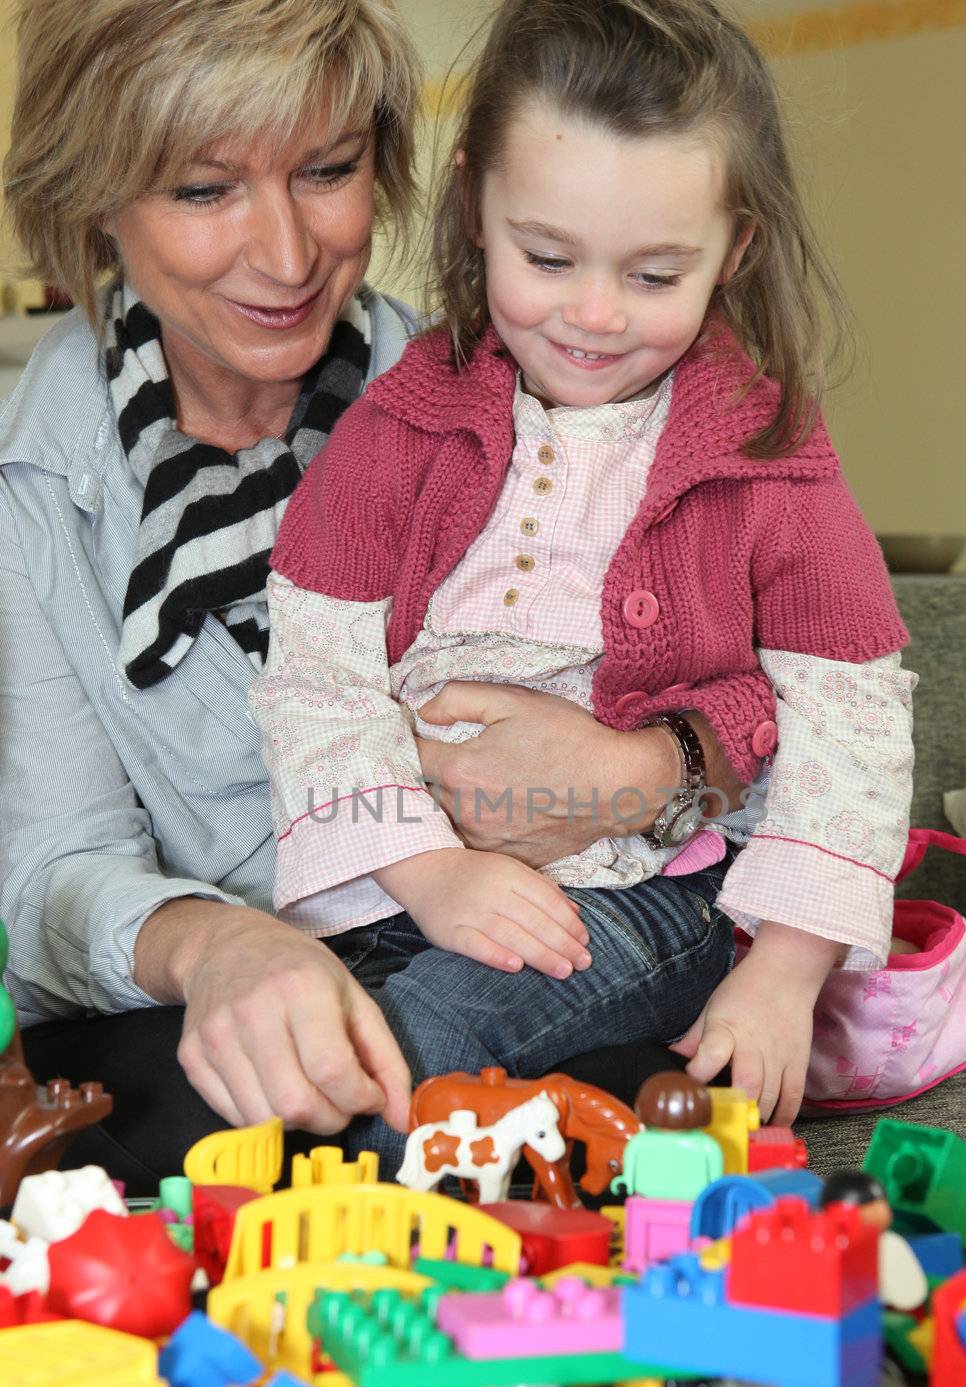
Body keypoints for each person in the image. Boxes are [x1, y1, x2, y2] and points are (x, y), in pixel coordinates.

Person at [0, 0, 742, 1188]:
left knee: (609, 1079)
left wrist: (654, 769)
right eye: (203, 191)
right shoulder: (27, 488)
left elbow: (799, 747)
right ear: (94, 195)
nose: (287, 257)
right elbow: (48, 878)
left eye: (327, 172)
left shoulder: (550, 394)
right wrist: (217, 943)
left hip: (512, 968)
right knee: (162, 1110)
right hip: (209, 1017)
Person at [252, 0, 917, 1175]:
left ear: (736, 251)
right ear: (473, 209)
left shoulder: (771, 458)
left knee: (425, 1039)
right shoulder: (400, 424)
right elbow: (312, 672)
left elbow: (852, 720)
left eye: (655, 273)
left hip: (649, 892)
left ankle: (342, 1263)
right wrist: (431, 868)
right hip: (411, 871)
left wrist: (784, 969)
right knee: (288, 1034)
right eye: (546, 258)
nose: (594, 315)